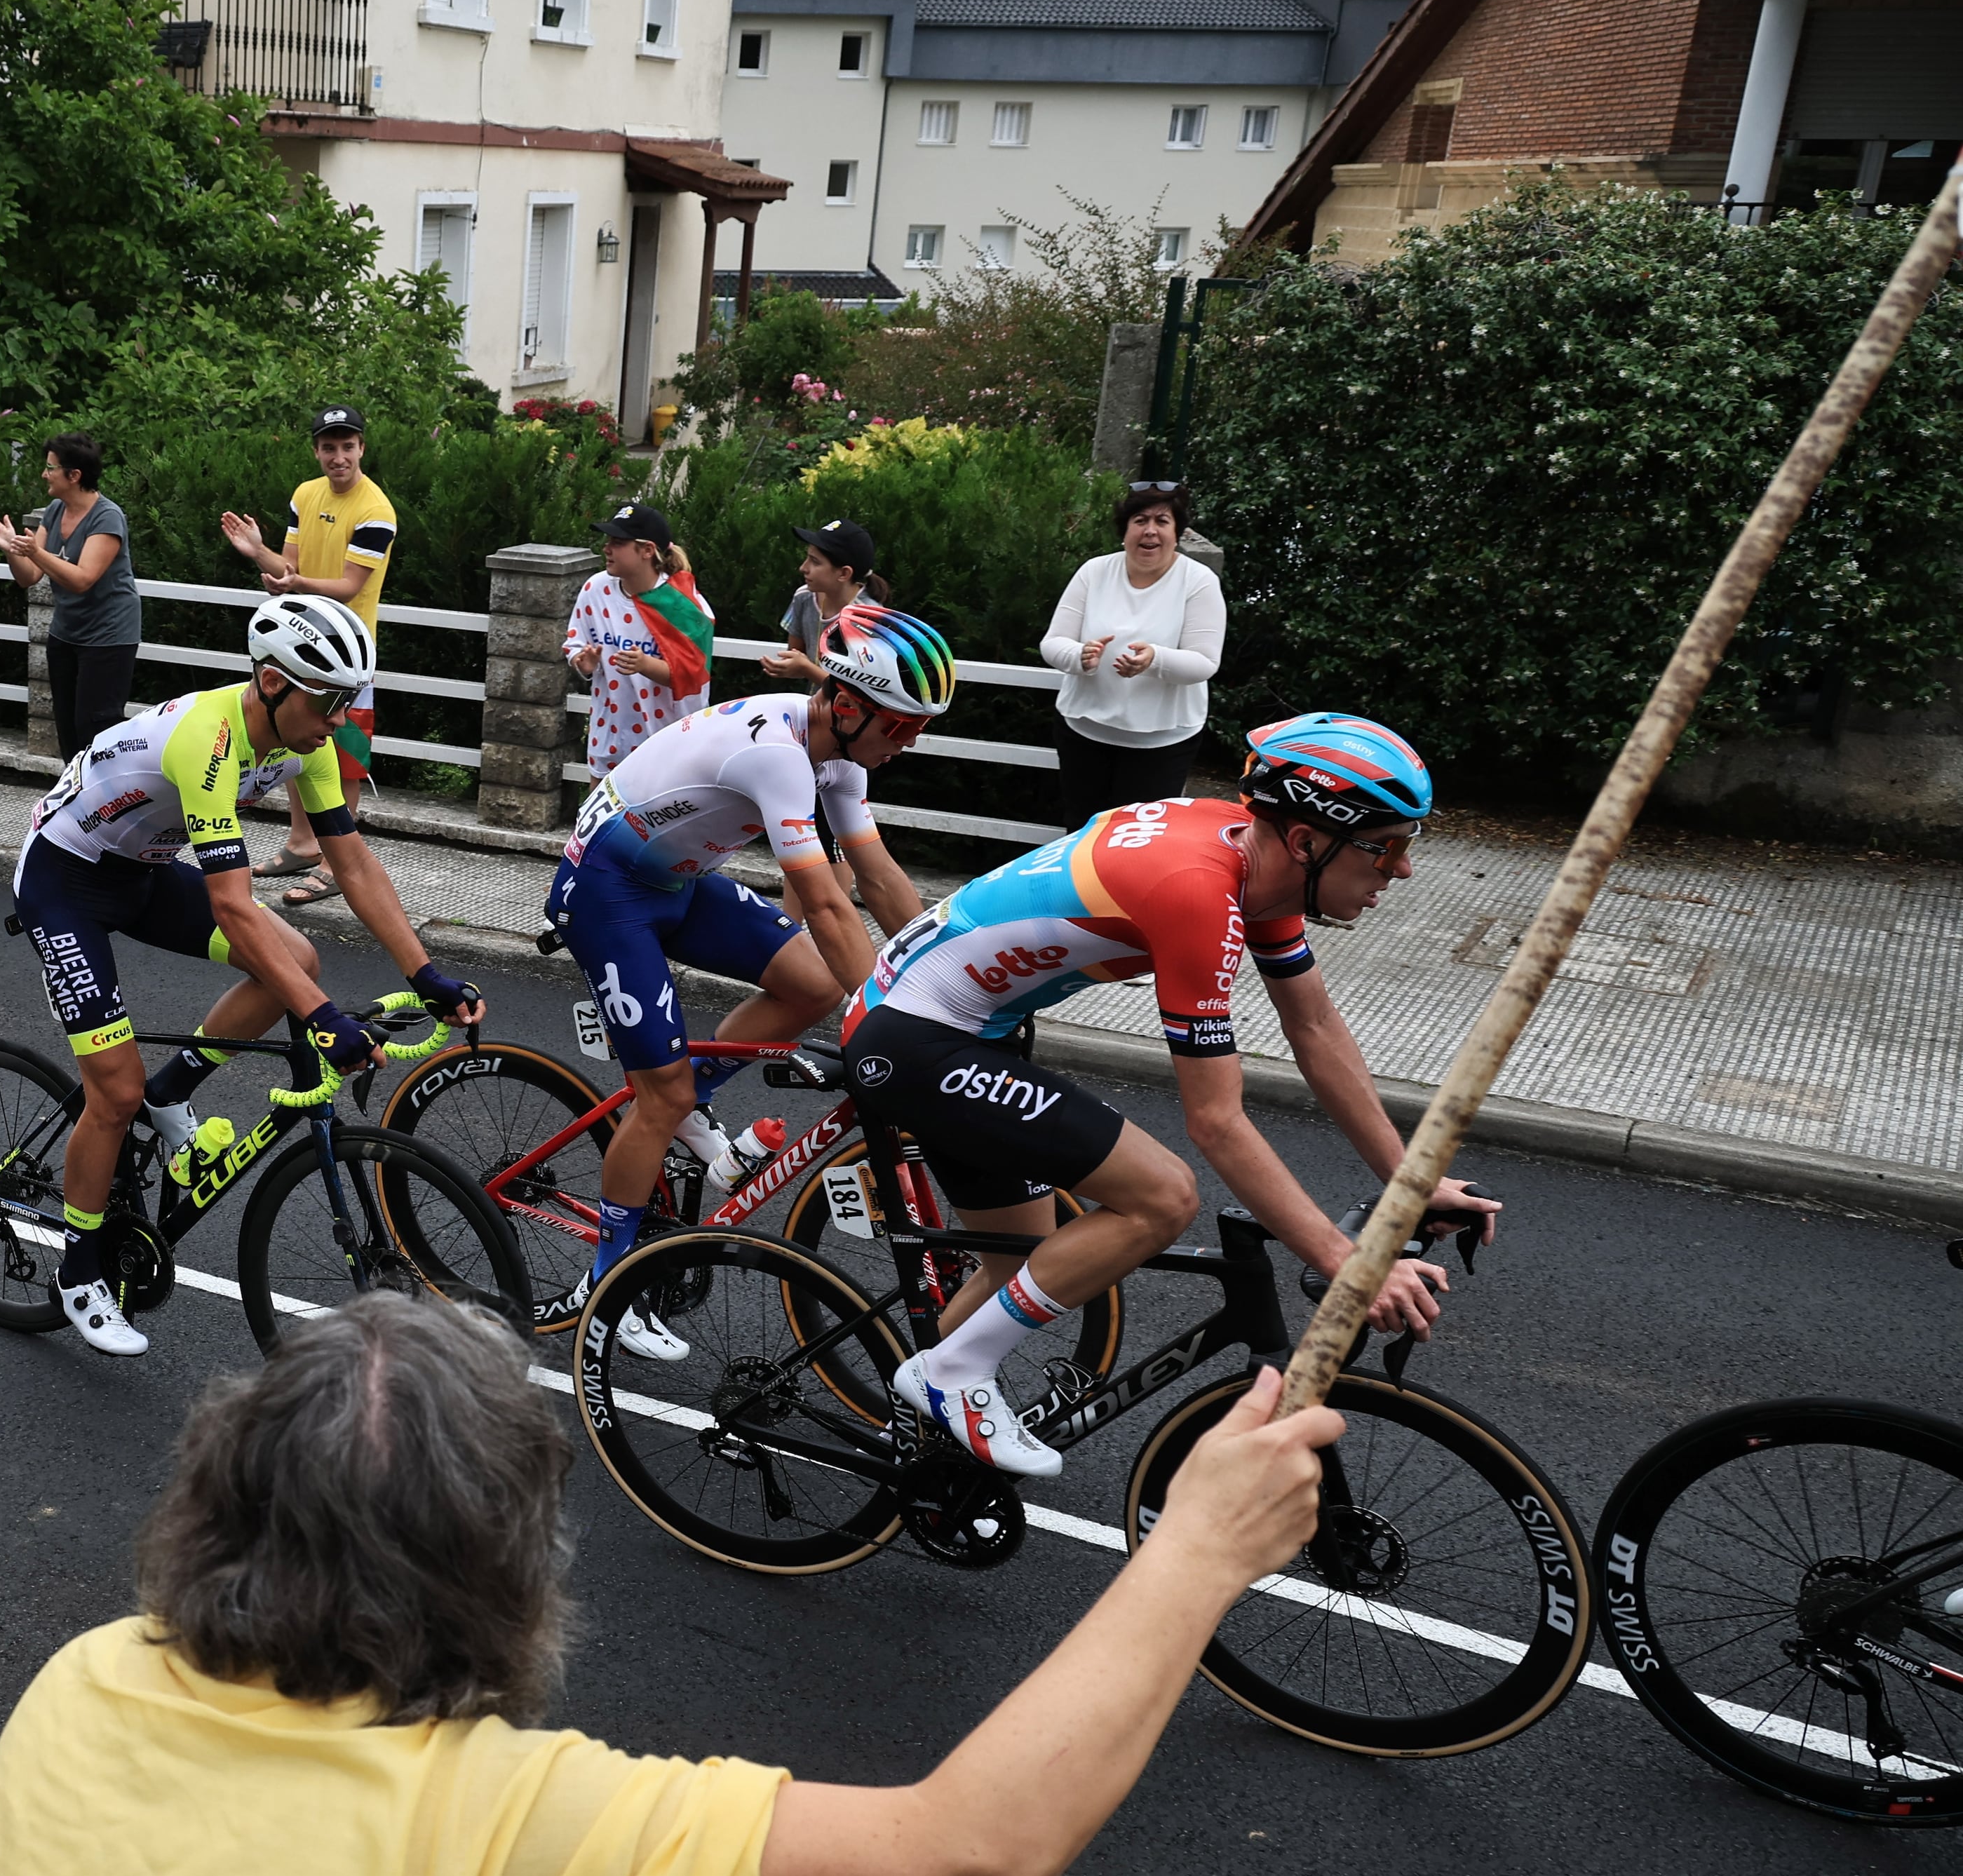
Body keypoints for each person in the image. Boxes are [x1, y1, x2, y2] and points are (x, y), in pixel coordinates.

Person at [0, 1293, 1351, 1876]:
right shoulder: (523, 1831)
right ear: (506, 1557)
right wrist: (1199, 1549)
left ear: (213, 1492)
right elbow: (972, 1853)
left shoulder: (87, 1682)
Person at [843, 713, 1501, 1476]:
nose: (1401, 870)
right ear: (1305, 840)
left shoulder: (1256, 857)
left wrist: (1411, 1183)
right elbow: (1215, 1122)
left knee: (1013, 1262)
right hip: (914, 1037)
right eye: (1383, 847)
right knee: (1160, 1198)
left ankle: (917, 1444)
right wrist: (1344, 1261)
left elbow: (1314, 1028)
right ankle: (946, 1377)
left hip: (964, 1026)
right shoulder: (1196, 892)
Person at [11, 597, 485, 1357]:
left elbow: (351, 864)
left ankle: (173, 1093)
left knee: (295, 962)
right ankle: (78, 1271)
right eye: (328, 700)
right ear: (271, 682)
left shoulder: (306, 743)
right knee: (113, 1092)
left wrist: (425, 972)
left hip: (142, 870)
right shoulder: (209, 737)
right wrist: (325, 1019)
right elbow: (233, 907)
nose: (339, 717)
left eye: (347, 701)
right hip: (65, 878)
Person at [542, 605, 959, 1351]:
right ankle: (607, 1289)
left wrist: (949, 975)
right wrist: (893, 1020)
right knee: (658, 1096)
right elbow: (829, 906)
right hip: (606, 890)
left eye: (918, 726)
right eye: (900, 725)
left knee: (812, 985)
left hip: (673, 882)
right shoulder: (778, 754)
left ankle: (686, 1110)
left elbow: (879, 877)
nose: (911, 741)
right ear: (848, 704)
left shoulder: (835, 755)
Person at [218, 403, 396, 907]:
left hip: (348, 651)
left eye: (347, 446)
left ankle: (335, 863)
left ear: (362, 447)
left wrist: (291, 583)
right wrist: (258, 552)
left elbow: (348, 584)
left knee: (346, 757)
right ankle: (302, 843)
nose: (337, 456)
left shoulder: (376, 510)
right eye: (328, 447)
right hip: (301, 646)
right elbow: (286, 569)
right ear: (317, 450)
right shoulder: (305, 494)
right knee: (297, 741)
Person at [1041, 482, 1227, 825]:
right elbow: (1054, 643)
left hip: (1163, 743)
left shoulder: (1198, 581)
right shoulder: (1094, 572)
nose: (1150, 531)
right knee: (1081, 833)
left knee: (1137, 844)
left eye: (1163, 522)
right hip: (1084, 732)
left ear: (1178, 533)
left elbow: (1205, 661)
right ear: (1125, 530)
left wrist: (1154, 660)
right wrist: (1080, 656)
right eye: (1140, 520)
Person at [0, 432, 137, 765]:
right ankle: (75, 802)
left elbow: (82, 579)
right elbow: (30, 576)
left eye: (50, 468)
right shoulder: (54, 511)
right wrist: (13, 550)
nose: (44, 474)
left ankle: (108, 806)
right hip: (66, 634)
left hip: (108, 637)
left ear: (74, 475)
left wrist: (35, 551)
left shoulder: (107, 517)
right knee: (66, 727)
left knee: (96, 727)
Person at [563, 501, 714, 778]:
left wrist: (645, 664)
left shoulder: (684, 606)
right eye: (608, 540)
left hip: (667, 744)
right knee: (599, 820)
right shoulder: (595, 589)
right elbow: (575, 643)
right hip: (608, 735)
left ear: (647, 551)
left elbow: (693, 675)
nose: (607, 548)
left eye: (618, 542)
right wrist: (583, 663)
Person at [756, 518, 886, 687]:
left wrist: (806, 668)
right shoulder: (803, 597)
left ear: (844, 574)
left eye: (815, 562)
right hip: (814, 709)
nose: (803, 568)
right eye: (807, 558)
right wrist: (787, 667)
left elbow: (859, 692)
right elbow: (797, 657)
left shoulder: (869, 617)